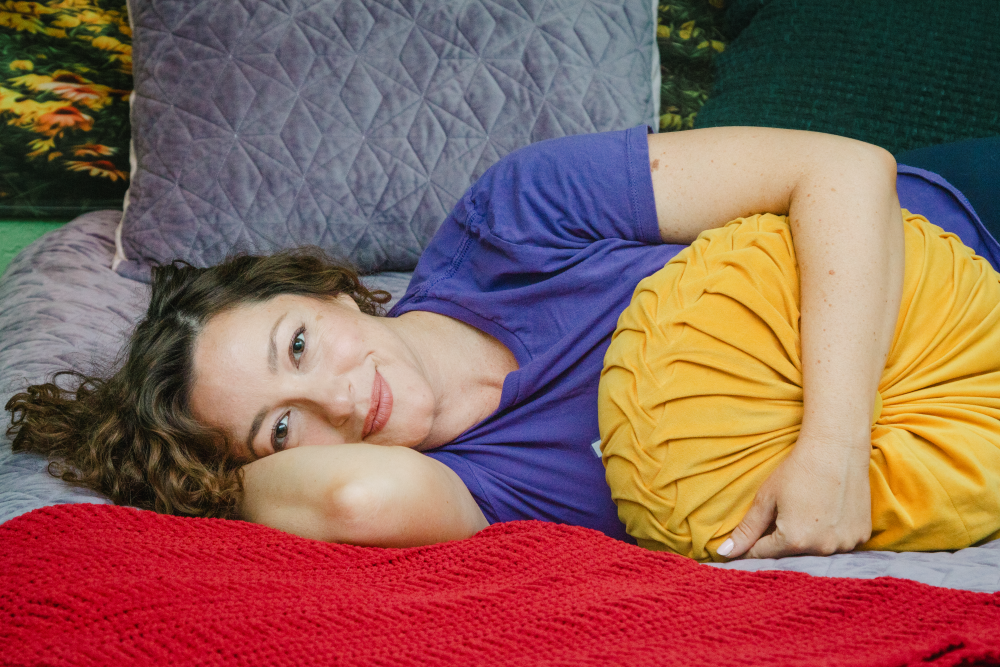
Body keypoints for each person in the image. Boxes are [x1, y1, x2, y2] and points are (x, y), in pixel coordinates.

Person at [7, 126, 1000, 562]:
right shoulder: (468, 486)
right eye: (280, 426)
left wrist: (832, 446)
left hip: (966, 221)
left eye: (299, 345)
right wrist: (207, 482)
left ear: (328, 287)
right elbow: (351, 501)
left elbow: (842, 170)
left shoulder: (516, 217)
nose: (340, 402)